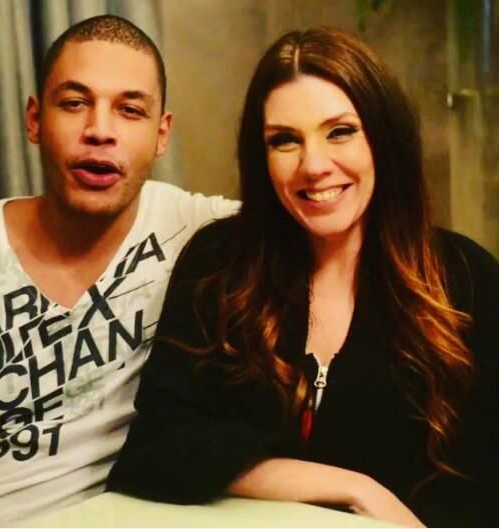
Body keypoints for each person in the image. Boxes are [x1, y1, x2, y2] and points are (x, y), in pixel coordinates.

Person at [107, 26, 499, 527]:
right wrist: (353, 487)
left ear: (384, 137)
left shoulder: (465, 278)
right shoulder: (219, 264)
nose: (313, 166)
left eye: (340, 131)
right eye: (285, 140)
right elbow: (157, 447)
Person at [0, 14, 238, 527]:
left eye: (130, 110)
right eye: (74, 103)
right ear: (34, 119)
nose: (99, 131)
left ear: (161, 134)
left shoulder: (195, 229)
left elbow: (323, 218)